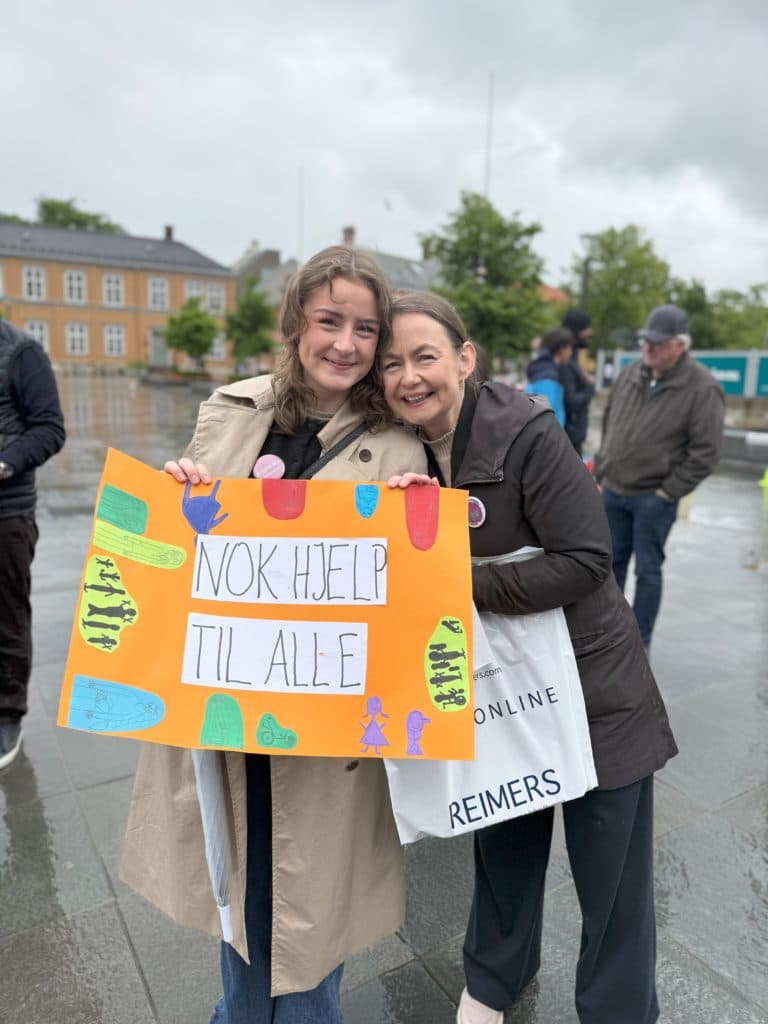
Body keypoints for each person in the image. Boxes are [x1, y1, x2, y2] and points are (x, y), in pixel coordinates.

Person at [119, 246, 427, 1023]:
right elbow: (180, 555)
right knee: (242, 904)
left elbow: (410, 594)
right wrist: (178, 490)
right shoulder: (233, 409)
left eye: (365, 328)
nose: (346, 344)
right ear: (296, 322)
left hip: (325, 742)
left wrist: (414, 515)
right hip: (229, 720)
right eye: (329, 321)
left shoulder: (398, 443)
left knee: (310, 925)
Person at [381, 292, 677, 1024]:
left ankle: (617, 1012)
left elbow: (585, 560)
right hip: (494, 694)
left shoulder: (525, 431)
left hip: (593, 689)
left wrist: (458, 581)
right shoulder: (394, 447)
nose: (409, 377)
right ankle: (490, 984)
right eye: (392, 364)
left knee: (612, 881)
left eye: (424, 356)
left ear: (465, 358)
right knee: (503, 845)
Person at [594, 303, 724, 649]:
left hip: (653, 497)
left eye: (658, 342)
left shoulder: (702, 387)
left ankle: (640, 641)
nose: (648, 347)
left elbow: (706, 452)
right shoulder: (632, 373)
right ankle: (609, 635)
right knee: (609, 567)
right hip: (614, 490)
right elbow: (610, 424)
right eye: (646, 340)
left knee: (647, 571)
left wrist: (668, 492)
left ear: (680, 345)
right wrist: (602, 471)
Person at [0, 321, 65, 771]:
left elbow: (49, 429)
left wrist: (4, 462)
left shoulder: (20, 352)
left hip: (7, 514)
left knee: (7, 616)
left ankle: (7, 714)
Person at [560, 309, 595, 455]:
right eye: (586, 328)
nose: (590, 332)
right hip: (570, 440)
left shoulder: (571, 359)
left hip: (572, 438)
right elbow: (572, 401)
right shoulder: (566, 362)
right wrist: (589, 387)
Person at [523, 327, 573, 426]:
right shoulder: (548, 376)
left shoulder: (542, 369)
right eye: (570, 347)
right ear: (562, 349)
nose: (571, 352)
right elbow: (545, 418)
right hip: (548, 438)